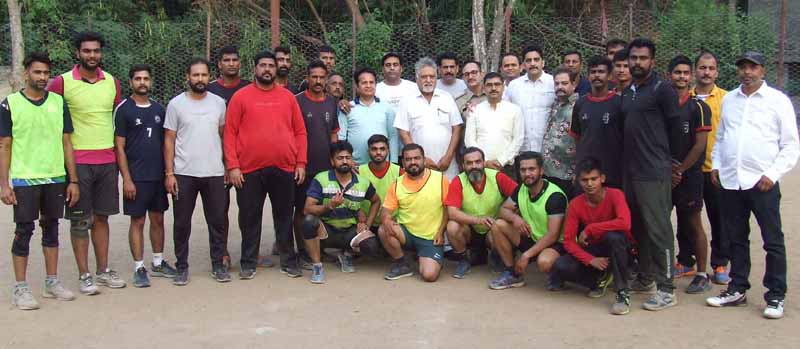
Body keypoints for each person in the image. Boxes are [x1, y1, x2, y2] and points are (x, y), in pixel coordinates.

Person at [706, 52, 799, 319]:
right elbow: (722, 136)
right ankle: (737, 288)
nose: (747, 72)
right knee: (736, 237)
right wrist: (717, 165)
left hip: (763, 183)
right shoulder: (731, 99)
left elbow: (790, 144)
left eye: (752, 67)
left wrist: (773, 173)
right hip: (732, 181)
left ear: (763, 71)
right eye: (743, 67)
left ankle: (776, 295)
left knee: (773, 240)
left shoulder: (777, 101)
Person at [48, 31, 126, 293]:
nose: (92, 55)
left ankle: (103, 270)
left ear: (101, 53)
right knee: (81, 220)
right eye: (87, 51)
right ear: (77, 53)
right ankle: (84, 276)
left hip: (107, 160)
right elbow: (50, 119)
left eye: (96, 51)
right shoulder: (61, 83)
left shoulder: (112, 83)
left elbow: (116, 120)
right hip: (77, 162)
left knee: (102, 218)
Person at [1, 52, 79, 309]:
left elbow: (67, 142)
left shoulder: (58, 102)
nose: (43, 77)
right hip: (25, 179)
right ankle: (20, 288)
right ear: (26, 73)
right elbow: (5, 145)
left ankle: (51, 282)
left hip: (55, 176)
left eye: (46, 73)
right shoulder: (10, 104)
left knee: (52, 227)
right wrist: (4, 184)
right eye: (37, 72)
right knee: (24, 231)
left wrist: (73, 180)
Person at [225, 50, 308, 281]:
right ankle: (248, 262)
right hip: (248, 170)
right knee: (250, 217)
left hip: (284, 168)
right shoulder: (240, 97)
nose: (267, 69)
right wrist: (233, 166)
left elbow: (300, 132)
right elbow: (229, 134)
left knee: (284, 216)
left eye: (271, 65)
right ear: (255, 69)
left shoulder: (288, 97)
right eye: (263, 65)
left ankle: (288, 262)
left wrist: (300, 162)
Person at [621, 38, 679, 311]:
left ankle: (667, 288)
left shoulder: (662, 89)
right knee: (638, 228)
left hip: (653, 172)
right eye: (634, 58)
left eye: (643, 58)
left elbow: (677, 129)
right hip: (630, 173)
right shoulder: (628, 91)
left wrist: (674, 165)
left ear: (652, 62)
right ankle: (645, 279)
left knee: (659, 230)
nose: (637, 63)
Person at [164, 57, 228, 286]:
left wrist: (228, 165)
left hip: (214, 171)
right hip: (184, 173)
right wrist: (169, 173)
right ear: (187, 77)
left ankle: (218, 265)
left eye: (203, 75)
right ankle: (181, 266)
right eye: (195, 75)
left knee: (217, 220)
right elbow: (169, 140)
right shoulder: (176, 104)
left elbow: (224, 135)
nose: (200, 79)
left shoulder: (219, 103)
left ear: (209, 77)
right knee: (182, 222)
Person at [114, 64, 177, 288]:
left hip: (158, 176)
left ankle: (158, 262)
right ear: (130, 82)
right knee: (138, 220)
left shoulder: (160, 109)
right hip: (136, 177)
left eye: (146, 79)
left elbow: (167, 143)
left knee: (158, 219)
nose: (142, 82)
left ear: (151, 82)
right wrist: (127, 179)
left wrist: (169, 174)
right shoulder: (123, 109)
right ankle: (139, 267)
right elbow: (119, 147)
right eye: (138, 79)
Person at [551, 158, 634, 315]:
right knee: (561, 265)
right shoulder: (575, 204)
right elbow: (568, 242)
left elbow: (625, 223)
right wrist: (590, 260)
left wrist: (591, 228)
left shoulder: (615, 195)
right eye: (585, 180)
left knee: (613, 237)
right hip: (595, 250)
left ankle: (622, 293)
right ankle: (599, 279)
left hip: (619, 247)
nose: (589, 184)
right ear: (578, 181)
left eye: (594, 179)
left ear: (602, 178)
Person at [302, 141, 382, 283]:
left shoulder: (363, 182)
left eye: (348, 158)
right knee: (308, 221)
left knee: (372, 246)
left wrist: (367, 224)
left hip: (350, 231)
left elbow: (376, 201)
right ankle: (317, 265)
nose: (345, 161)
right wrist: (329, 206)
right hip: (326, 232)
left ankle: (346, 254)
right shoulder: (321, 178)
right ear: (332, 161)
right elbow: (307, 208)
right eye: (340, 158)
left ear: (352, 160)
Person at [666, 55, 713, 294]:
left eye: (685, 73)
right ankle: (660, 271)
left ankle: (702, 274)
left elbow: (699, 146)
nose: (681, 77)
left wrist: (680, 170)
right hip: (664, 175)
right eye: (677, 72)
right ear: (669, 75)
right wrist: (667, 169)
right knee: (660, 223)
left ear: (691, 76)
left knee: (693, 223)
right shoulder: (661, 106)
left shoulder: (699, 107)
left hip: (689, 176)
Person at [488, 151, 568, 290]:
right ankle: (512, 273)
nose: (527, 173)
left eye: (532, 169)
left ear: (541, 171)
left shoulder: (554, 196)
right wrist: (515, 218)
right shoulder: (522, 189)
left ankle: (558, 275)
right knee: (498, 225)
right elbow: (503, 210)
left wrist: (526, 255)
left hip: (556, 244)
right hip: (533, 237)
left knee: (545, 262)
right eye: (523, 170)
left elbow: (553, 235)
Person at [293, 60, 340, 273]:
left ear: (327, 77)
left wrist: (336, 159)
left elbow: (334, 133)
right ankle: (301, 251)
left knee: (322, 209)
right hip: (302, 168)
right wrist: (296, 162)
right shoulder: (297, 101)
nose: (318, 81)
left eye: (322, 77)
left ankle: (318, 249)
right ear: (307, 77)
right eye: (314, 77)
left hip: (325, 169)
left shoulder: (332, 102)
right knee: (302, 210)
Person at [206, 45, 251, 268]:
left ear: (240, 63)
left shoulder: (249, 89)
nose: (231, 63)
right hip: (217, 160)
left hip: (246, 160)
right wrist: (225, 162)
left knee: (248, 209)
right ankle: (221, 252)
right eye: (227, 60)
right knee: (219, 209)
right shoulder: (210, 90)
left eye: (235, 59)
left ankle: (248, 252)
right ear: (219, 64)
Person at [378, 144, 450, 282]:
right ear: (403, 162)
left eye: (417, 158)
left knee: (429, 276)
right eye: (408, 159)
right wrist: (386, 220)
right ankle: (402, 263)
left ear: (424, 159)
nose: (413, 162)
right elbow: (385, 212)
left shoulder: (440, 179)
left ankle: (426, 257)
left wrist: (441, 232)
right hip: (406, 233)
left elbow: (448, 209)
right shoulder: (397, 184)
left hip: (431, 237)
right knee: (383, 229)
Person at [444, 147, 518, 278]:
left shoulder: (497, 177)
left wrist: (511, 215)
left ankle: (497, 255)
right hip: (470, 229)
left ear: (484, 163)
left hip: (493, 228)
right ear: (463, 165)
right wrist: (478, 220)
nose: (474, 166)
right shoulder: (458, 181)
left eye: (478, 162)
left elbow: (520, 196)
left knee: (500, 226)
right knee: (452, 226)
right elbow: (452, 213)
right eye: (469, 163)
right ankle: (463, 260)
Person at [691, 51, 730, 285]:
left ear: (716, 71)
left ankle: (720, 263)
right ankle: (686, 260)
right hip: (691, 170)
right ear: (696, 70)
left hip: (716, 171)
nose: (706, 72)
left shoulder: (727, 99)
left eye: (711, 68)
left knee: (720, 219)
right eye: (702, 68)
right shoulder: (686, 97)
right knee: (689, 218)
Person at [394, 57, 463, 179]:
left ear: (437, 78)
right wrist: (421, 159)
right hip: (420, 166)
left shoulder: (447, 98)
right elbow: (403, 133)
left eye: (432, 77)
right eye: (424, 77)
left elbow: (457, 128)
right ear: (417, 78)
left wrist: (448, 156)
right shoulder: (407, 101)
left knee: (449, 196)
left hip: (448, 165)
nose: (428, 80)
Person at [570, 56, 624, 189]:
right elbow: (577, 138)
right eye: (593, 72)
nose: (597, 76)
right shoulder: (580, 103)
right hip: (586, 172)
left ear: (610, 76)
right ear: (588, 76)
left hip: (613, 171)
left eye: (601, 72)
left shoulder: (620, 103)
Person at [464, 72, 523, 176]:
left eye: (497, 84)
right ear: (483, 88)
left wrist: (501, 161)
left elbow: (518, 139)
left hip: (507, 167)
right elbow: (469, 139)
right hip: (480, 167)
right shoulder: (475, 110)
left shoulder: (515, 110)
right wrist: (485, 161)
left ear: (503, 87)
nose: (493, 88)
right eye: (489, 85)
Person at [337, 68, 397, 165]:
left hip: (382, 165)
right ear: (357, 86)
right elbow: (341, 137)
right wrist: (348, 161)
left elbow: (393, 136)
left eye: (371, 82)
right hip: (357, 165)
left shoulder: (387, 108)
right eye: (364, 83)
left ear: (375, 85)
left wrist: (393, 162)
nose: (368, 85)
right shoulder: (348, 108)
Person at [504, 44, 555, 153]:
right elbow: (505, 113)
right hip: (522, 148)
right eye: (529, 60)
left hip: (549, 149)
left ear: (543, 62)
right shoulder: (514, 86)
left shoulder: (554, 83)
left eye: (536, 60)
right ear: (523, 65)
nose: (532, 63)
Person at [541, 67, 579, 198]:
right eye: (557, 83)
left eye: (564, 83)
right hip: (548, 170)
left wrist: (579, 171)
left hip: (567, 173)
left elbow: (585, 140)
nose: (559, 87)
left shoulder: (580, 106)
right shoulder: (555, 105)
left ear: (574, 84)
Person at [358, 135, 403, 234]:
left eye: (382, 149)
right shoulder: (359, 172)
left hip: (392, 223)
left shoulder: (399, 171)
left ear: (388, 150)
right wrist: (359, 211)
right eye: (374, 149)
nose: (378, 152)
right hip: (365, 222)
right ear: (368, 151)